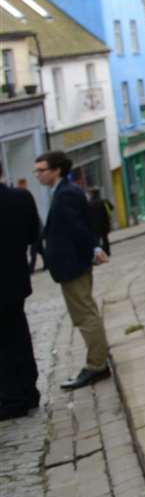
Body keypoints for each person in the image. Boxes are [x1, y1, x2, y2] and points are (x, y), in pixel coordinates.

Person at [34, 152, 111, 390]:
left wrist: (91, 250)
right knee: (85, 311)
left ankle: (97, 364)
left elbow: (78, 228)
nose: (38, 175)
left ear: (56, 170)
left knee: (84, 314)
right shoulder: (64, 191)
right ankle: (98, 360)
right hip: (72, 263)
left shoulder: (66, 193)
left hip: (73, 264)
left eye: (42, 170)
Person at [0, 178, 42, 418]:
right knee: (19, 336)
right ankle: (29, 391)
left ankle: (13, 399)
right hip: (16, 280)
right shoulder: (21, 197)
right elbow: (32, 235)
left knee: (3, 346)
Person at [87, 186, 114, 256]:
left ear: (92, 194)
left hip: (94, 225)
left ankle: (99, 254)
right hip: (104, 224)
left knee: (97, 240)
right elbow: (111, 208)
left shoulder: (89, 203)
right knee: (105, 238)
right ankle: (107, 252)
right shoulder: (104, 201)